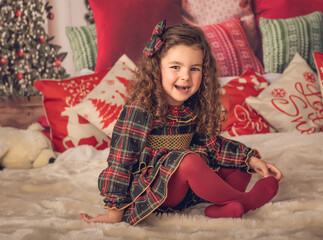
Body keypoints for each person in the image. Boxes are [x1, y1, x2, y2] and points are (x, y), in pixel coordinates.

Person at [80, 20, 283, 226]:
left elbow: (210, 144)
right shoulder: (140, 109)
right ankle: (247, 201)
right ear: (156, 69)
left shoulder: (193, 105)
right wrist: (114, 213)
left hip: (188, 189)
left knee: (237, 166)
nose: (185, 76)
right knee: (188, 160)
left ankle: (226, 208)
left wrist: (251, 159)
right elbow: (120, 163)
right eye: (175, 67)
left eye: (194, 68)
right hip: (157, 191)